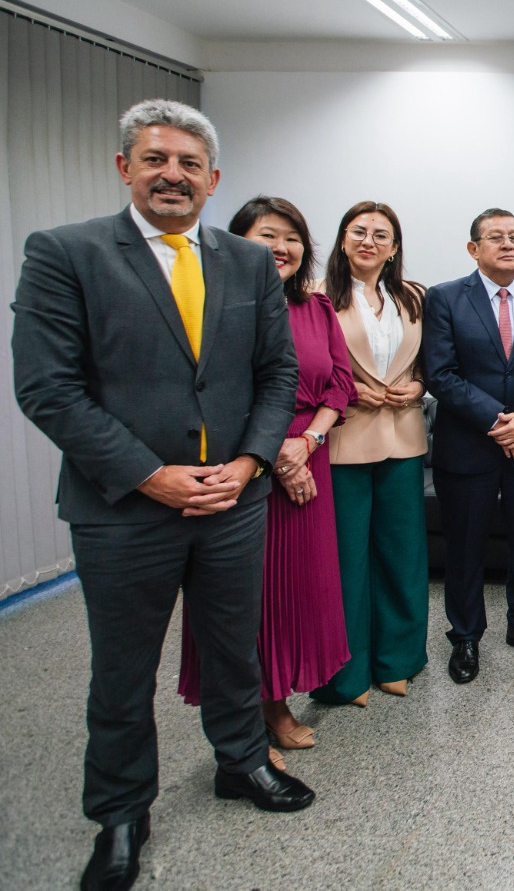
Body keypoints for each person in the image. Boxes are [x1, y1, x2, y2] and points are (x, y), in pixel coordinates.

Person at [12, 99, 311, 891]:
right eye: (155, 159)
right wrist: (151, 475)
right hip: (123, 509)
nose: (172, 175)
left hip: (232, 502)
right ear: (125, 168)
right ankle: (120, 813)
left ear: (213, 179)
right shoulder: (66, 253)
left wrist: (249, 463)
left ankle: (242, 761)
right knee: (122, 669)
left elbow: (276, 373)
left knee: (233, 647)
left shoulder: (247, 263)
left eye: (188, 164)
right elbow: (47, 388)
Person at [176, 198, 353, 762]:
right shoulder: (218, 304)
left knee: (297, 593)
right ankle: (248, 722)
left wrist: (308, 444)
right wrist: (275, 453)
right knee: (245, 601)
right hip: (245, 465)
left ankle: (276, 702)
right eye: (267, 235)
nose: (281, 247)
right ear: (237, 243)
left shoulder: (316, 307)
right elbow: (218, 390)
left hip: (309, 458)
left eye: (292, 238)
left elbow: (340, 385)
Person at [423, 208, 514, 684]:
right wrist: (498, 419)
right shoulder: (445, 297)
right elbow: (440, 373)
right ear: (474, 249)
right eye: (495, 237)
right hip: (468, 445)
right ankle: (466, 636)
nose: (508, 244)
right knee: (465, 547)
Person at [311, 201, 431, 706]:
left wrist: (419, 386)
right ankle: (346, 673)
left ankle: (398, 660)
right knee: (345, 562)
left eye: (381, 235)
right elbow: (306, 366)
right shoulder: (315, 296)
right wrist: (346, 390)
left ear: (394, 248)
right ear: (343, 240)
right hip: (343, 440)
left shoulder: (413, 296)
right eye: (359, 232)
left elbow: (427, 363)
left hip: (404, 437)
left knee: (404, 555)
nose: (369, 241)